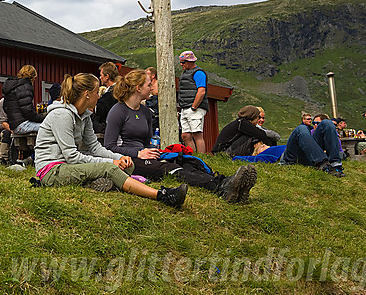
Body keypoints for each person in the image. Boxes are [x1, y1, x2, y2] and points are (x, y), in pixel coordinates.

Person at [32, 72, 187, 207]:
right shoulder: (62, 115)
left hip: (67, 165)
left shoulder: (84, 115)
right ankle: (163, 195)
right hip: (52, 170)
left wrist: (121, 158)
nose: (99, 96)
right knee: (110, 168)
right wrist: (110, 163)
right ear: (87, 93)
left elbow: (95, 147)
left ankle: (97, 182)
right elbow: (71, 156)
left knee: (128, 166)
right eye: (96, 92)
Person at [103, 70, 257, 203]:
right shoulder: (118, 111)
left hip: (147, 155)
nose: (152, 87)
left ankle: (229, 185)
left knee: (187, 162)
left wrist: (152, 151)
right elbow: (109, 146)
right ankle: (220, 186)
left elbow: (146, 142)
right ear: (138, 88)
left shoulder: (145, 113)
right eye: (149, 84)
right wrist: (138, 153)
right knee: (172, 168)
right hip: (129, 159)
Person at [212, 106, 278, 157]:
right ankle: (269, 154)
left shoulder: (240, 123)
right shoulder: (243, 124)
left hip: (222, 151)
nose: (258, 120)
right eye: (258, 117)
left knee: (257, 135)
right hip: (222, 153)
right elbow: (261, 135)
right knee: (253, 136)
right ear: (253, 117)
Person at [177, 51, 208, 153]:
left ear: (190, 61)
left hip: (195, 108)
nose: (181, 64)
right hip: (185, 107)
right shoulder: (185, 73)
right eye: (181, 62)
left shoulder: (198, 73)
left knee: (197, 134)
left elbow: (201, 91)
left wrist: (194, 106)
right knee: (185, 135)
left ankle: (202, 158)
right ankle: (193, 156)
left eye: (183, 62)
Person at [2, 65, 45, 136]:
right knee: (48, 128)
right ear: (33, 77)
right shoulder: (25, 86)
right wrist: (42, 118)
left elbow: (5, 107)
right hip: (23, 124)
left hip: (14, 125)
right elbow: (27, 111)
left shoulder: (12, 86)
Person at [91, 62, 119, 135]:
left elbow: (101, 110)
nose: (100, 77)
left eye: (101, 75)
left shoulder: (112, 94)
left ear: (107, 76)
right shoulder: (118, 90)